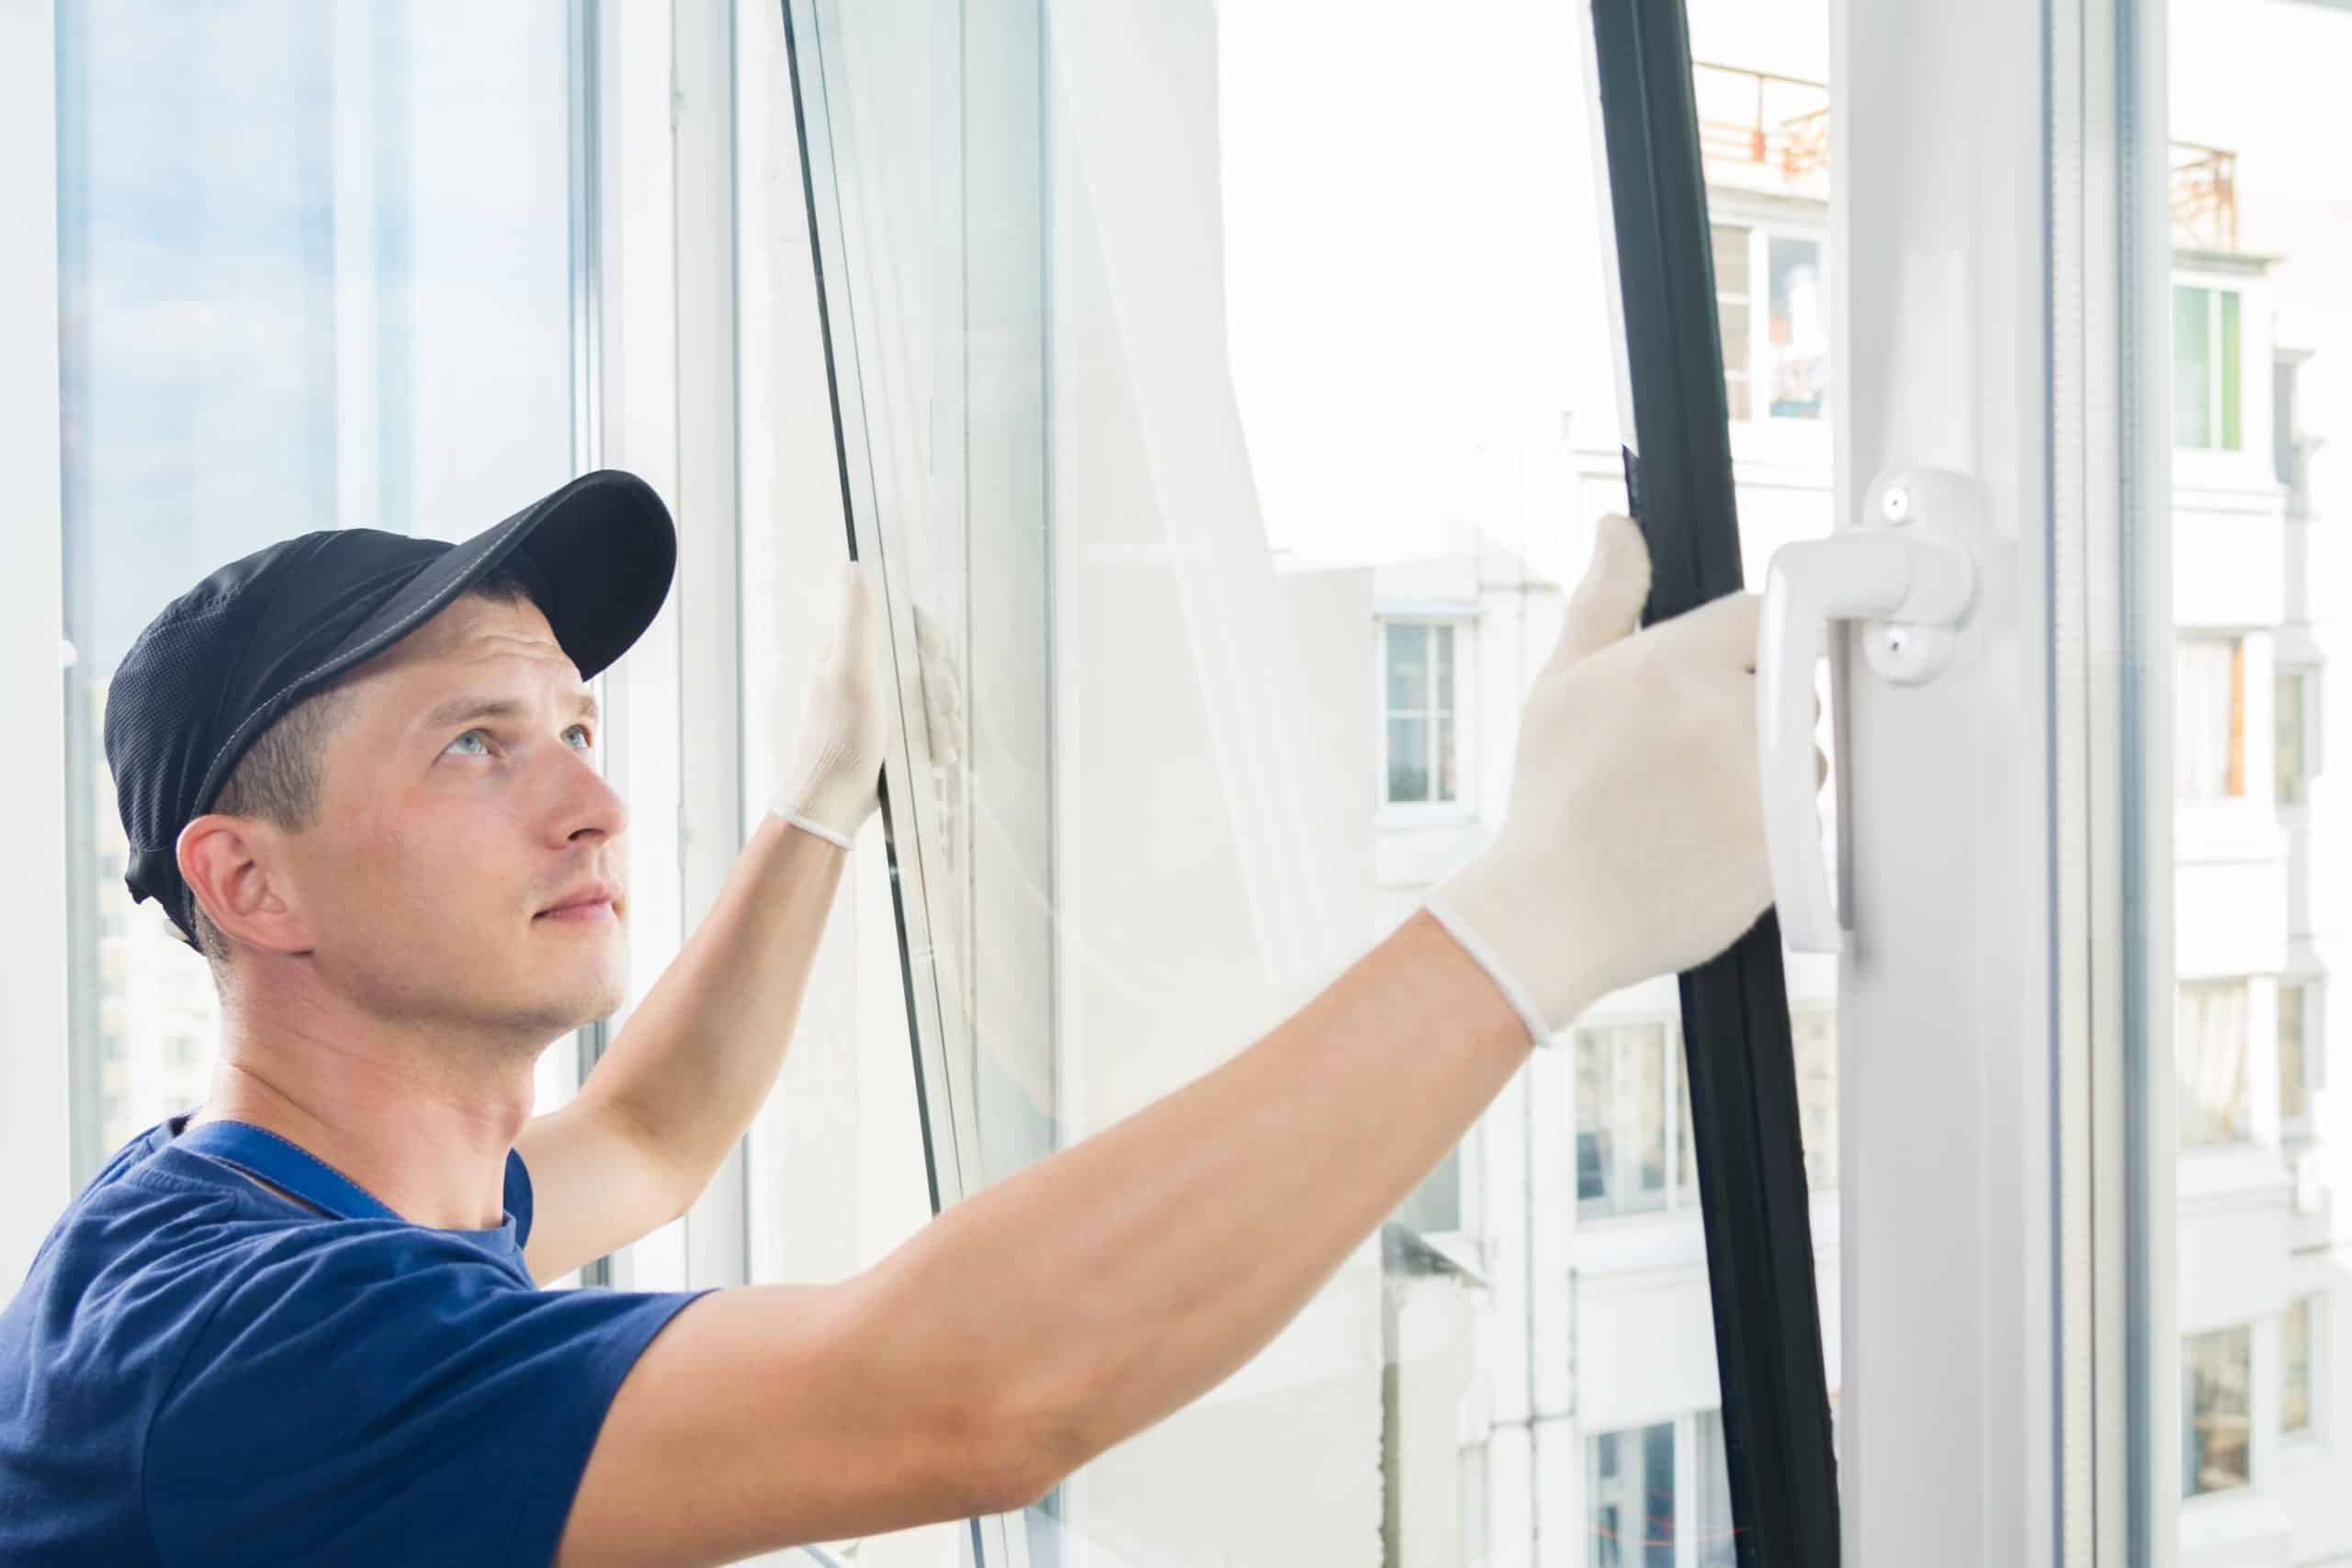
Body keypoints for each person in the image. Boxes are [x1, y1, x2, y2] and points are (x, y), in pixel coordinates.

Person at [0, 468, 1768, 1566]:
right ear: (250, 887)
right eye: (476, 746)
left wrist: (819, 801)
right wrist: (1541, 913)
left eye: (579, 733)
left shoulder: (270, 1208)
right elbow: (961, 1396)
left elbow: (648, 1135)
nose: (591, 808)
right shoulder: (252, 1356)